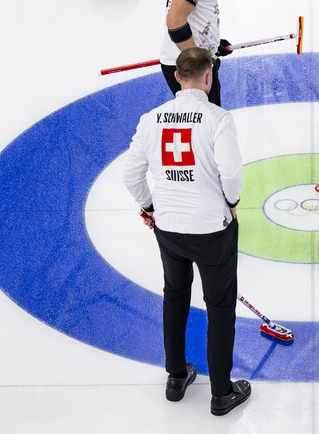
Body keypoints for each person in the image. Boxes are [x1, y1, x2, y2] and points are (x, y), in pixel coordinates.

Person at [123, 47, 251, 416]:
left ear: (177, 77)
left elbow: (131, 174)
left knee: (175, 296)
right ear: (209, 77)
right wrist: (231, 200)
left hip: (170, 229)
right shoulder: (218, 118)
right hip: (212, 228)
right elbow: (231, 171)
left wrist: (150, 207)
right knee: (221, 307)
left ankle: (176, 376)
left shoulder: (151, 119)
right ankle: (221, 392)